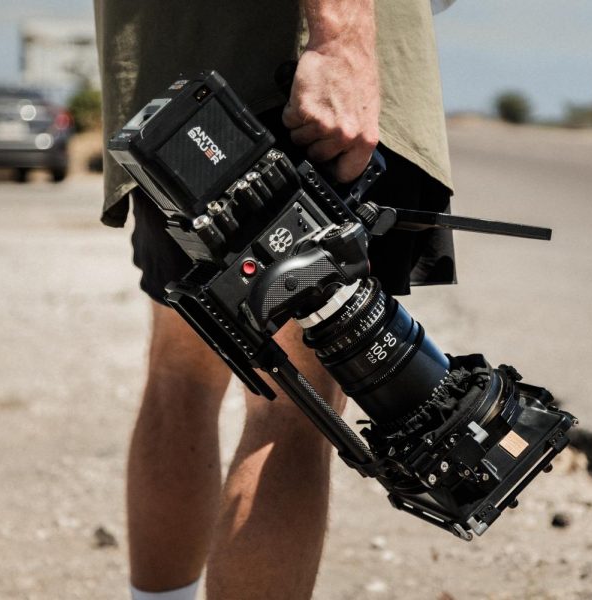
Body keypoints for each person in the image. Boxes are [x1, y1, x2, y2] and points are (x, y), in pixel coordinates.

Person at [94, 2, 456, 598]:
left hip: (171, 84)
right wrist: (339, 41)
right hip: (290, 80)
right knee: (292, 410)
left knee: (179, 375)